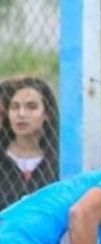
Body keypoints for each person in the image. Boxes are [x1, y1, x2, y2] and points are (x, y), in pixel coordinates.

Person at [0, 77, 59, 210]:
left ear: (47, 114)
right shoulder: (3, 157)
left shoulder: (60, 159)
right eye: (15, 107)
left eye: (31, 107)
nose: (21, 114)